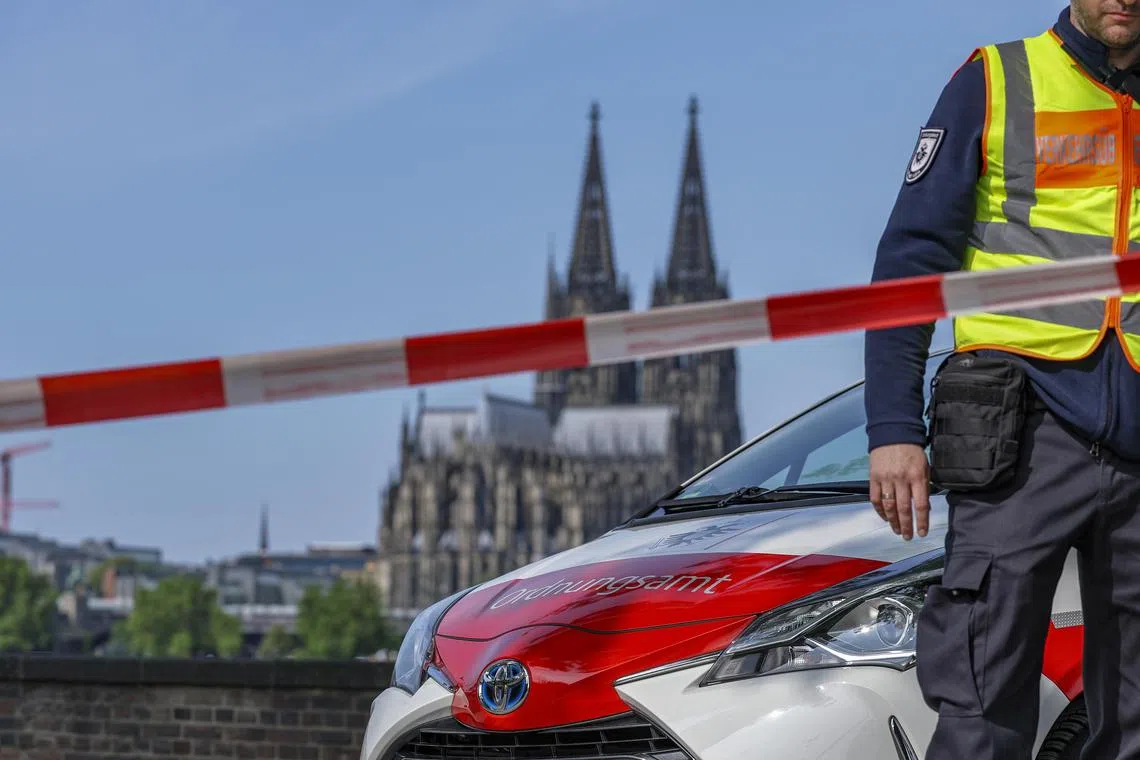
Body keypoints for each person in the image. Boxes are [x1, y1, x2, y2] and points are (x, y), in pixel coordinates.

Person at [865, 2, 1140, 758]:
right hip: (1021, 432)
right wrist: (892, 429)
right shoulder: (996, 79)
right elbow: (909, 264)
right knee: (985, 705)